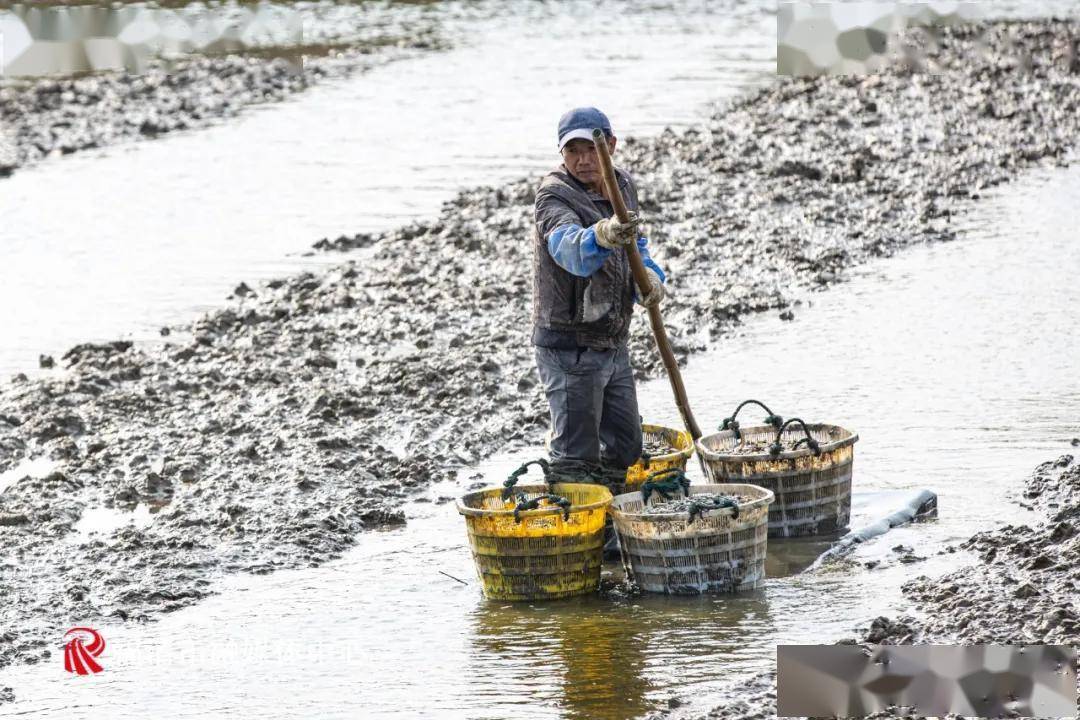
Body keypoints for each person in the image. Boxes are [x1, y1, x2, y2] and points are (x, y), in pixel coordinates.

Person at [531, 106, 666, 487]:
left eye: (592, 149)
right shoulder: (553, 196)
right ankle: (578, 529)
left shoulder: (621, 186)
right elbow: (570, 251)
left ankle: (609, 519)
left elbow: (637, 246)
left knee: (626, 445)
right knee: (576, 455)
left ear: (611, 145)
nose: (584, 160)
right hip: (569, 346)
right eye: (573, 151)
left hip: (611, 339)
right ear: (562, 154)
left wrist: (650, 279)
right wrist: (602, 235)